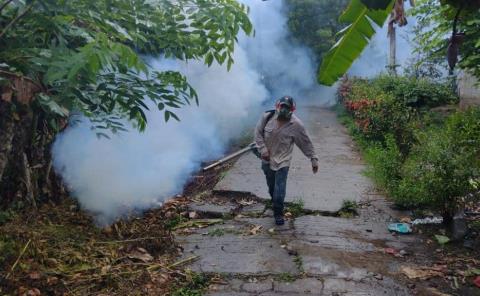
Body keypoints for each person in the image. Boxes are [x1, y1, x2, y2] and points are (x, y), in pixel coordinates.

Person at [254, 96, 318, 225]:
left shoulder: (296, 125)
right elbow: (257, 134)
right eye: (282, 106)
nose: (284, 109)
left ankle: (278, 213)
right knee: (271, 187)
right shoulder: (267, 117)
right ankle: (275, 202)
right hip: (267, 159)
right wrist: (263, 149)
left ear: (292, 109)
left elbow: (305, 142)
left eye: (287, 107)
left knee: (280, 189)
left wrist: (313, 159)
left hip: (283, 160)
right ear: (278, 106)